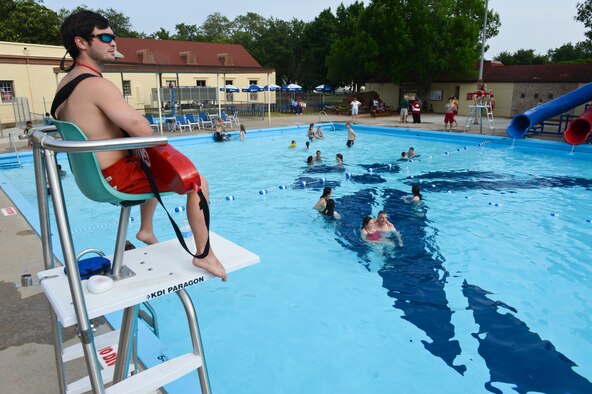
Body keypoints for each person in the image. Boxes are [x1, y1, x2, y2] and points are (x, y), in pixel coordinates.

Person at [52, 11, 226, 280]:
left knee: (149, 162)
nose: (114, 43)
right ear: (82, 43)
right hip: (115, 178)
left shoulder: (66, 84)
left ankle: (145, 229)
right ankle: (205, 254)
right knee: (197, 181)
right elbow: (142, 129)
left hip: (93, 177)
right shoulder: (96, 85)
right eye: (106, 37)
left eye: (114, 37)